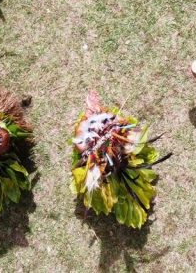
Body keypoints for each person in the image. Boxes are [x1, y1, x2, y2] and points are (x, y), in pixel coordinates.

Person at [70, 91, 169, 229]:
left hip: (119, 157)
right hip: (104, 166)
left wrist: (120, 132)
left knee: (127, 155)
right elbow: (80, 141)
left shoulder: (110, 123)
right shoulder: (84, 137)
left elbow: (122, 124)